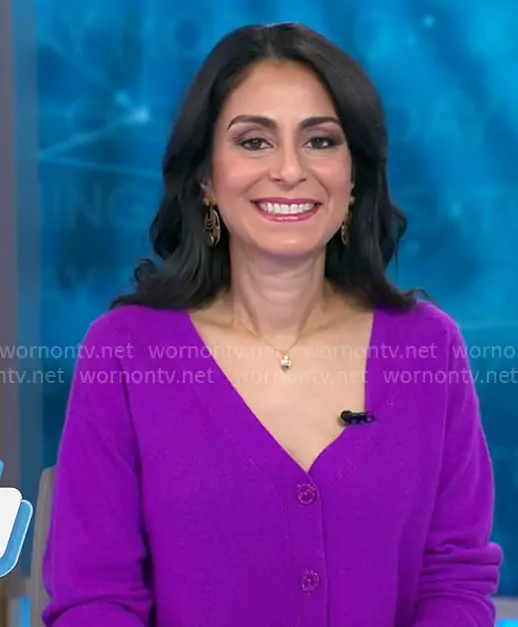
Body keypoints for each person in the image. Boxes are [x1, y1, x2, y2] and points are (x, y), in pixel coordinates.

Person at [41, 22, 503, 627]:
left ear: (354, 177)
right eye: (254, 141)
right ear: (206, 179)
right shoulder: (125, 352)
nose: (289, 170)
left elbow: (455, 576)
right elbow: (94, 600)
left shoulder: (428, 347)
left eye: (320, 141)